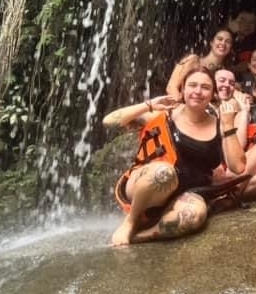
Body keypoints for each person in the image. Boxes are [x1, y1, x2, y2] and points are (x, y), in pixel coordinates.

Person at [105, 66, 246, 246]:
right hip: (147, 185)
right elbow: (109, 122)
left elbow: (238, 167)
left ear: (213, 94)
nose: (198, 91)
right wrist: (149, 105)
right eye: (192, 85)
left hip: (185, 193)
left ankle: (140, 237)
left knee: (194, 216)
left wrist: (228, 125)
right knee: (164, 173)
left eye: (205, 87)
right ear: (183, 90)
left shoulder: (220, 124)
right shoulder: (166, 114)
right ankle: (131, 222)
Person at [166, 27, 235, 99]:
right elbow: (171, 87)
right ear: (211, 42)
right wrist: (181, 104)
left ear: (230, 47)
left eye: (228, 41)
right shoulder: (192, 60)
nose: (223, 43)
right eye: (220, 39)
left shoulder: (225, 73)